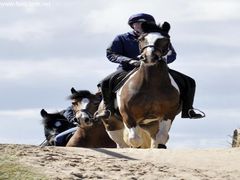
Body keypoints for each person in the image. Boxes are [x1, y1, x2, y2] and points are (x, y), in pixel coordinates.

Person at [96, 13, 205, 120]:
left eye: (145, 23)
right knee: (105, 82)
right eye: (137, 23)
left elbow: (172, 54)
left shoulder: (159, 37)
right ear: (132, 25)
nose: (141, 25)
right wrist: (130, 61)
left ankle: (189, 110)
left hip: (157, 69)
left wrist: (161, 58)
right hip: (128, 68)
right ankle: (108, 109)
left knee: (189, 81)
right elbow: (111, 54)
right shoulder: (122, 38)